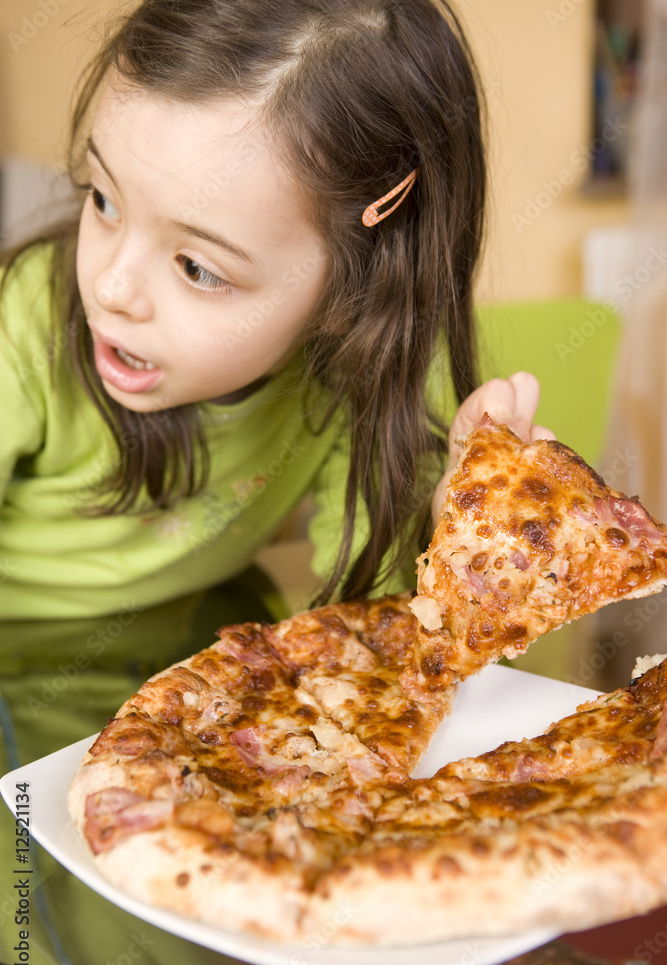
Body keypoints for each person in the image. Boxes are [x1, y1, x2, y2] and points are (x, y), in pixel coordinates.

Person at [0, 0, 546, 622]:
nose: (111, 287)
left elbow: (375, 634)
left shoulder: (354, 371)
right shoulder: (23, 324)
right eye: (103, 198)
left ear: (354, 294)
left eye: (197, 268)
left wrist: (452, 544)